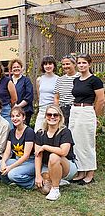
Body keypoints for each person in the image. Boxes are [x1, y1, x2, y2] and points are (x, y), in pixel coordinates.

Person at [68, 54, 104, 185]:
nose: (81, 65)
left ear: (90, 64)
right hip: (75, 111)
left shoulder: (95, 80)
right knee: (76, 143)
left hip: (87, 111)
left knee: (88, 143)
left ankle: (90, 174)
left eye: (84, 63)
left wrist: (96, 115)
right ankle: (81, 172)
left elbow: (101, 100)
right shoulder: (76, 80)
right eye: (79, 63)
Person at [35, 105, 77, 201]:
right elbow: (38, 156)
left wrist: (45, 147)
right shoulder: (40, 133)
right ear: (45, 117)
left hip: (67, 166)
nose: (52, 117)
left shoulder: (65, 132)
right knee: (45, 190)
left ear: (60, 117)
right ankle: (57, 180)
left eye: (55, 115)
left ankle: (55, 189)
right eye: (49, 114)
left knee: (54, 156)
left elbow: (63, 152)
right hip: (48, 166)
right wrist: (37, 175)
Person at [0, 107, 35, 189]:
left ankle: (32, 183)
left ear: (23, 117)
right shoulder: (12, 132)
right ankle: (12, 182)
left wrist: (10, 167)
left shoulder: (29, 132)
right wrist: (3, 163)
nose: (15, 118)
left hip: (30, 162)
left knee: (12, 174)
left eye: (17, 116)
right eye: (12, 116)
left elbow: (26, 155)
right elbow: (7, 151)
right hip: (17, 159)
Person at [53, 54, 80, 126]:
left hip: (76, 109)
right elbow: (56, 97)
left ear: (74, 64)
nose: (65, 66)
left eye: (68, 64)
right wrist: (57, 110)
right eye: (63, 64)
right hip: (63, 110)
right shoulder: (60, 79)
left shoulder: (80, 77)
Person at [34, 55, 58, 132]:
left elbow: (58, 98)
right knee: (38, 132)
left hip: (53, 111)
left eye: (50, 64)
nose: (48, 66)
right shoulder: (39, 80)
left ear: (54, 65)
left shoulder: (58, 79)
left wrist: (55, 111)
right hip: (42, 110)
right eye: (45, 64)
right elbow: (39, 96)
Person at [8, 59, 34, 126]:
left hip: (25, 111)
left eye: (18, 67)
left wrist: (18, 106)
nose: (16, 69)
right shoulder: (7, 81)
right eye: (14, 67)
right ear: (11, 69)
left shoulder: (26, 81)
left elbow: (29, 96)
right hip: (10, 112)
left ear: (21, 68)